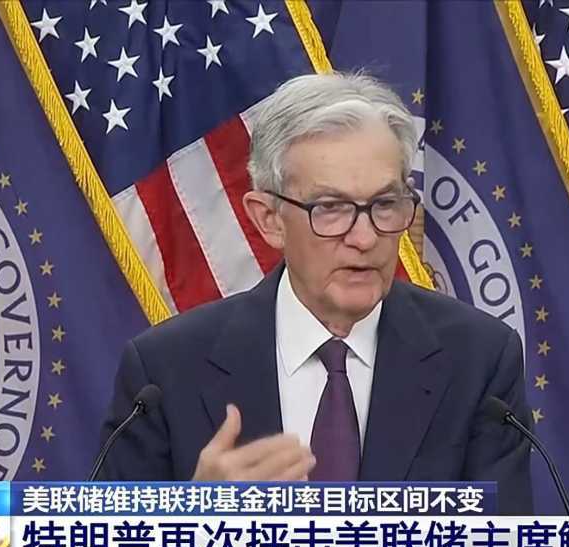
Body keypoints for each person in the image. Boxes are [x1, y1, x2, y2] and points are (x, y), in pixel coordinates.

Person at [98, 71, 533, 514]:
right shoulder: (165, 371)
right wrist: (194, 515)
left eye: (385, 204)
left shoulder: (477, 359)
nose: (364, 237)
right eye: (331, 208)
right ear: (269, 219)